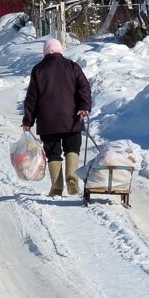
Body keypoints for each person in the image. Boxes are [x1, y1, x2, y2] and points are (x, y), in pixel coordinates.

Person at [22, 38, 91, 197]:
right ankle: (71, 178)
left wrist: (28, 121)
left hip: (48, 122)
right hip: (71, 118)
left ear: (45, 51)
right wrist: (83, 107)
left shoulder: (38, 70)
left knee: (53, 153)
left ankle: (57, 188)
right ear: (60, 50)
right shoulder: (72, 66)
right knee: (72, 148)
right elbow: (84, 87)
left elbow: (32, 98)